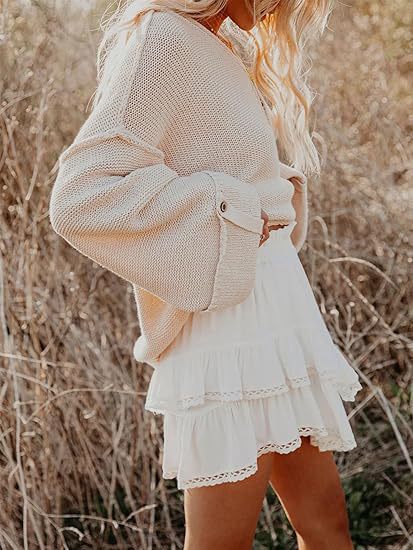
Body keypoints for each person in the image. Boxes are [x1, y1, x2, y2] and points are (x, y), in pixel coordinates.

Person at [49, 1, 363, 548]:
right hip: (226, 332)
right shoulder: (162, 39)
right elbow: (80, 196)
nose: (280, 6)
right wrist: (230, 206)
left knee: (327, 528)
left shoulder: (223, 43)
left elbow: (218, 159)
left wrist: (268, 191)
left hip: (279, 313)